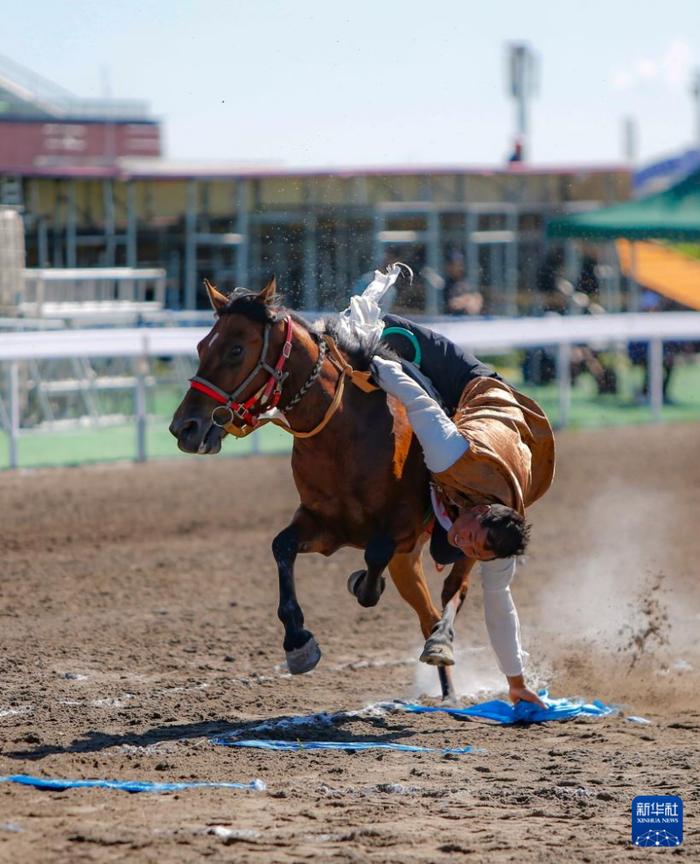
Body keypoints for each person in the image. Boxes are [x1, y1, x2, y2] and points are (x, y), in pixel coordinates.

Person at [375, 313, 556, 707]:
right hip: (471, 385)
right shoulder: (451, 456)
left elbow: (500, 609)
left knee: (442, 549)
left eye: (474, 551)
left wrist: (516, 681)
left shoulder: (498, 539)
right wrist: (373, 359)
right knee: (387, 333)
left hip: (504, 437)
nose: (466, 544)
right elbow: (415, 398)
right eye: (471, 538)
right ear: (480, 512)